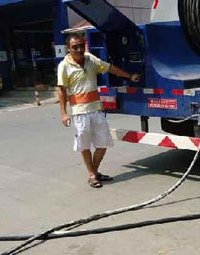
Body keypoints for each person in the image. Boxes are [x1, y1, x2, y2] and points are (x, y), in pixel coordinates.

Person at [58, 34, 140, 188]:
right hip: (80, 112)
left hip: (96, 110)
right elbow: (61, 90)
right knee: (84, 145)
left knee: (103, 143)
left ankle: (93, 172)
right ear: (69, 49)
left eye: (81, 45)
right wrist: (63, 113)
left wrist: (129, 76)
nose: (79, 49)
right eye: (75, 47)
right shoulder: (64, 66)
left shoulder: (90, 59)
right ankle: (92, 174)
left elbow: (109, 68)